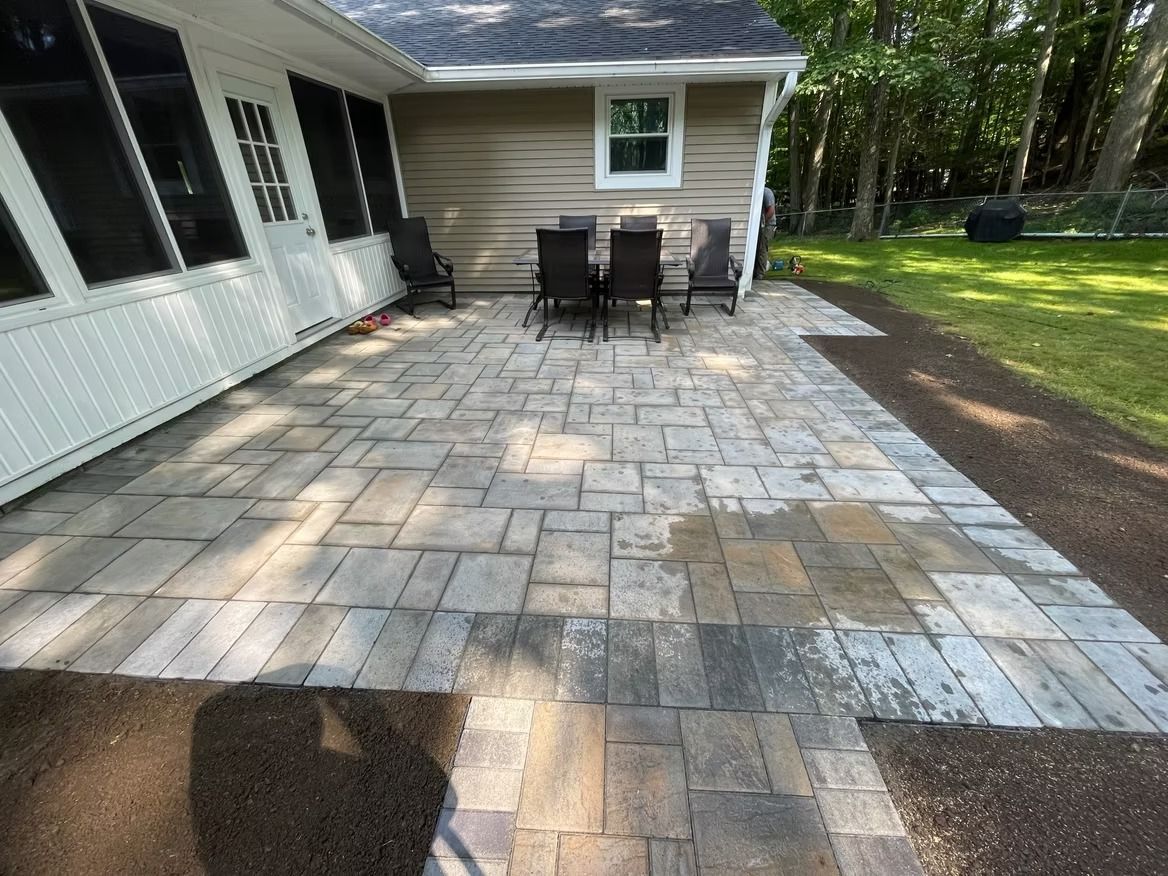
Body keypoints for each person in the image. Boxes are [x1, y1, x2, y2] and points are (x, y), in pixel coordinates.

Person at [754, 185, 777, 280]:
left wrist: (763, 223)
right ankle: (756, 271)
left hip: (768, 225)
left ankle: (760, 273)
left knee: (762, 248)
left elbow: (771, 210)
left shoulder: (766, 192)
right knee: (758, 248)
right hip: (761, 225)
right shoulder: (757, 192)